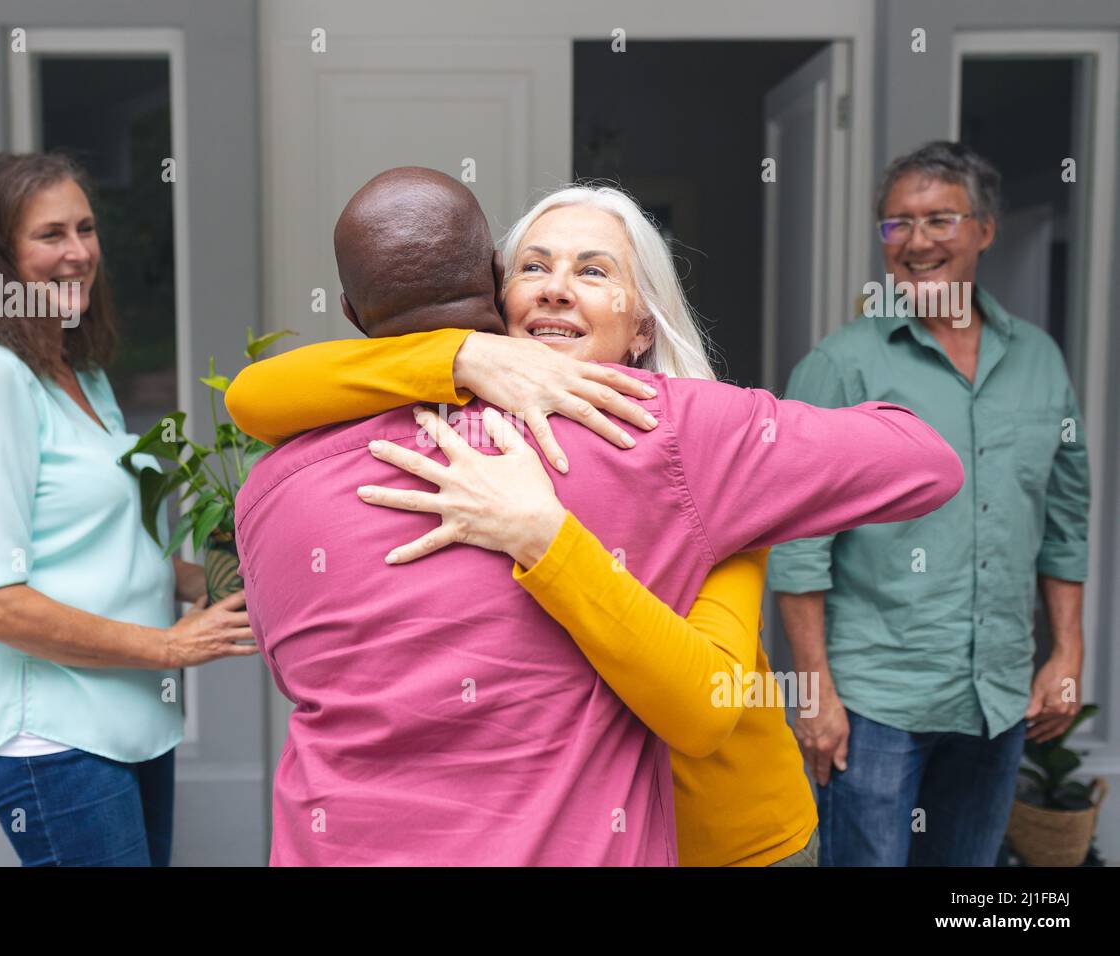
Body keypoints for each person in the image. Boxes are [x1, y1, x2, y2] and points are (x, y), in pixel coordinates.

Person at [229, 168, 963, 865]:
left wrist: (550, 537)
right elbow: (253, 396)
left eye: (593, 271)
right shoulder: (675, 440)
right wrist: (455, 357)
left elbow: (704, 709)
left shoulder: (695, 445)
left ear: (643, 326)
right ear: (494, 289)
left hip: (729, 837)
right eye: (535, 268)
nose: (555, 291)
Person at [0, 152, 256, 866]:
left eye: (87, 228)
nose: (79, 253)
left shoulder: (80, 375)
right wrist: (169, 646)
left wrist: (209, 578)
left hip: (132, 717)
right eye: (50, 235)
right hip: (52, 734)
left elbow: (95, 542)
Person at [768, 141, 1092, 866]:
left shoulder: (1039, 359)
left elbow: (1066, 517)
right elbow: (796, 540)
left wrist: (1066, 650)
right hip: (874, 700)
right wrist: (814, 689)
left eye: (939, 219)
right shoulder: (841, 365)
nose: (916, 242)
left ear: (985, 229)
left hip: (998, 697)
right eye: (896, 225)